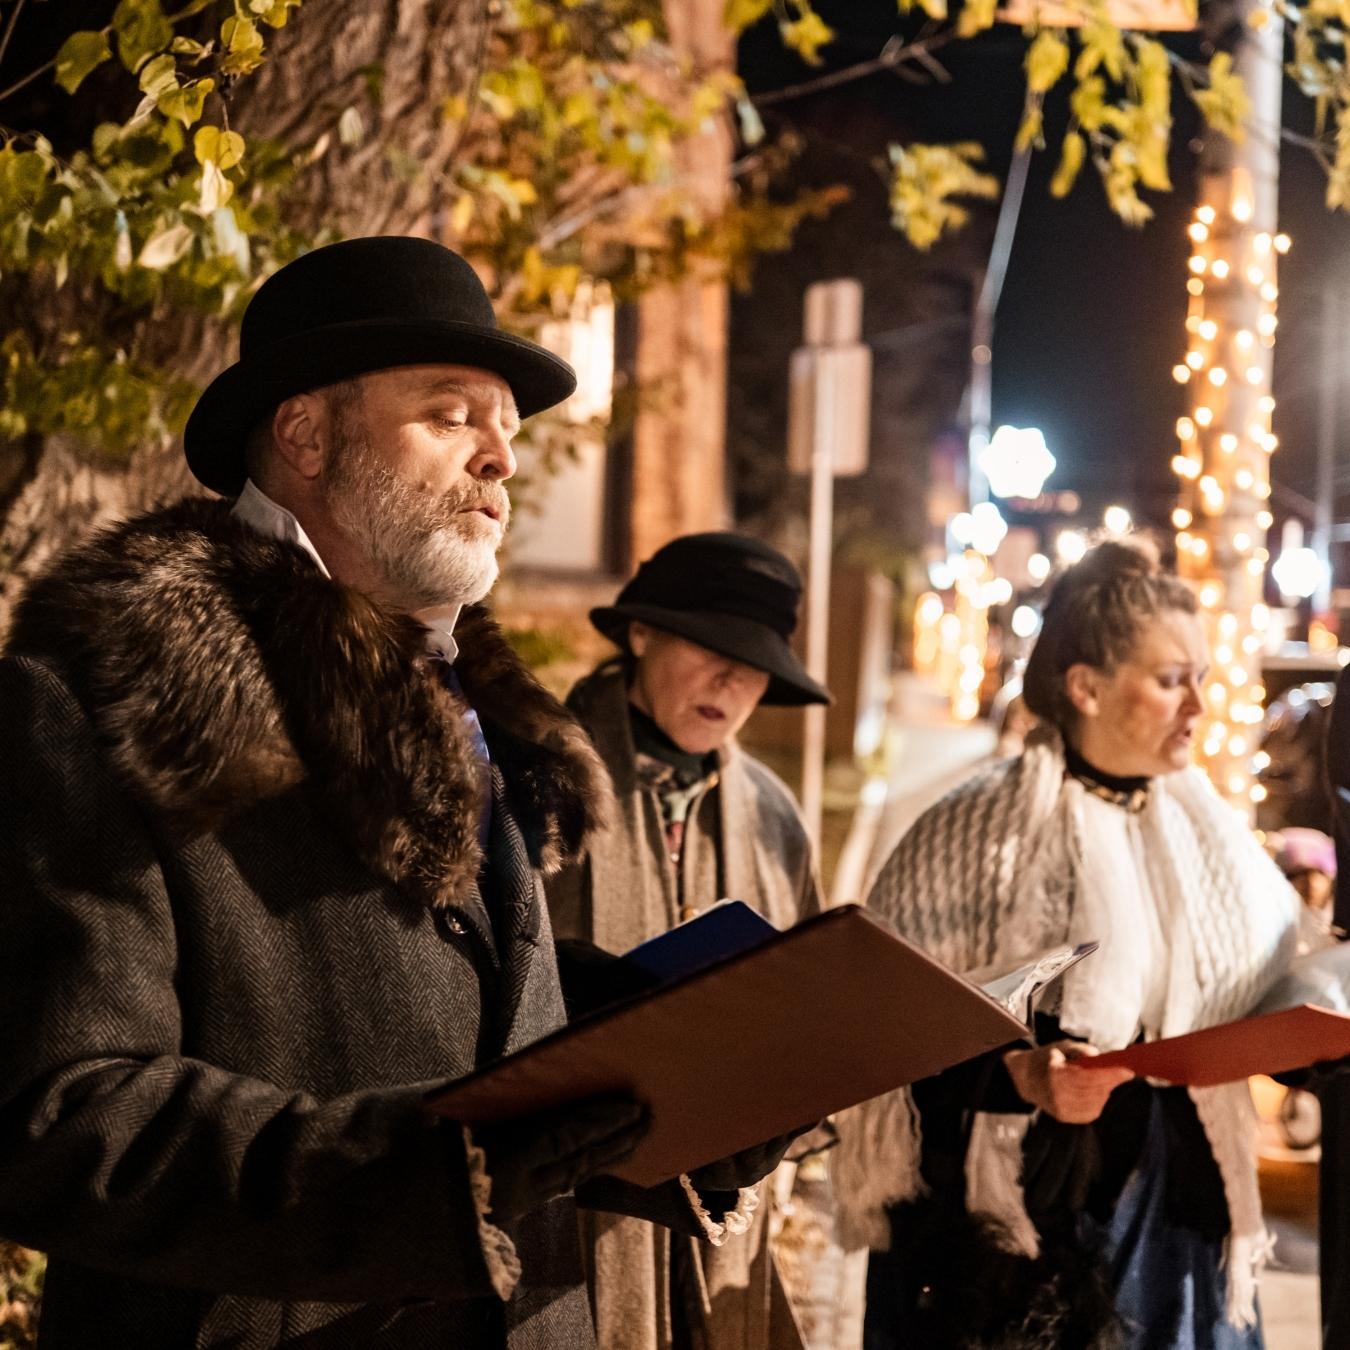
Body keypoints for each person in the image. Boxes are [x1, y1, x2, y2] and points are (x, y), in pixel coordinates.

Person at [0, 236, 786, 1349]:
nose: (500, 461)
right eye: (453, 414)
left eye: (507, 428)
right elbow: (62, 1112)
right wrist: (421, 1173)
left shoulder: (463, 691)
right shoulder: (106, 693)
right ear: (306, 432)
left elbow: (435, 998)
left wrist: (668, 1089)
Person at [834, 536, 1299, 1350]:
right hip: (1023, 1233)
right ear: (1085, 686)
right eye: (1168, 681)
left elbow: (1268, 982)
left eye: (1200, 679)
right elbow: (885, 1036)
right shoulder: (974, 833)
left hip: (1175, 1222)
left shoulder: (1213, 837)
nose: (1197, 707)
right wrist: (1020, 1074)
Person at [547, 532, 829, 1350]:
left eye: (756, 663)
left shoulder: (774, 816)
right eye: (712, 649)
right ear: (641, 633)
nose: (734, 682)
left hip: (725, 1220)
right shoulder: (536, 779)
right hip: (574, 1206)